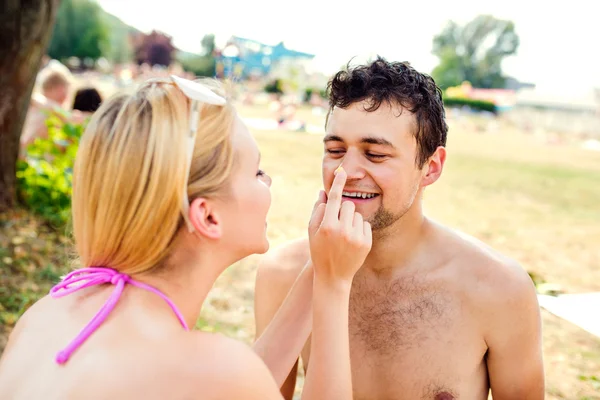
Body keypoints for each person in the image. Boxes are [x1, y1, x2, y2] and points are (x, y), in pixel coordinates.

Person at [0, 75, 372, 399]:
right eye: (257, 172)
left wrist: (317, 270)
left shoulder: (48, 314)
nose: (268, 180)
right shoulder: (215, 371)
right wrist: (335, 284)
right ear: (208, 216)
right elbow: (229, 382)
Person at [254, 57, 545, 400]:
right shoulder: (282, 274)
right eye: (335, 150)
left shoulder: (498, 288)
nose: (345, 171)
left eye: (375, 154)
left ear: (431, 167)